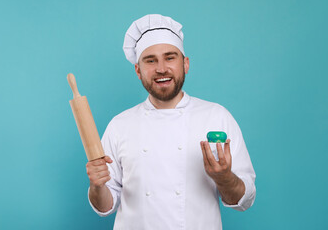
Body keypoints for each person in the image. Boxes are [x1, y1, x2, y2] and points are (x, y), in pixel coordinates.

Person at [86, 14, 256, 229]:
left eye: (170, 57)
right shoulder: (119, 125)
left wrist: (224, 178)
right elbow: (105, 206)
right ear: (138, 70)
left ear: (185, 64)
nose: (161, 68)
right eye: (150, 60)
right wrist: (97, 186)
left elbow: (245, 200)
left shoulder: (217, 116)